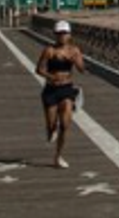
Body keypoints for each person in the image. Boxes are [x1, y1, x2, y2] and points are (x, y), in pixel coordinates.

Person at [36, 19, 85, 168]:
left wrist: (76, 61)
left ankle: (58, 157)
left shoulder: (74, 50)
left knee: (65, 125)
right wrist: (51, 77)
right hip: (51, 90)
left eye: (64, 33)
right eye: (59, 33)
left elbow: (82, 70)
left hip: (67, 89)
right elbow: (39, 69)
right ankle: (51, 130)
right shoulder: (49, 50)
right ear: (55, 35)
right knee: (52, 127)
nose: (62, 36)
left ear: (69, 34)